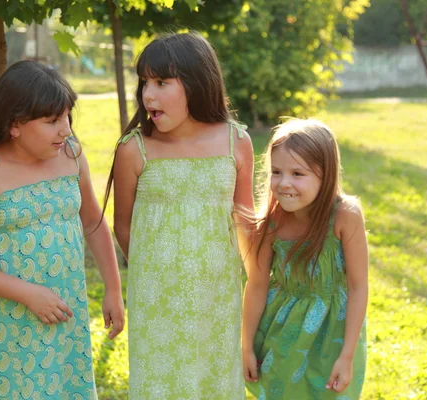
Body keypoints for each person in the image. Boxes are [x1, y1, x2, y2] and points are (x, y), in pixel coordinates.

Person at [0, 60, 124, 399]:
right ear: (15, 124)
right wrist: (28, 294)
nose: (66, 129)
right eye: (52, 121)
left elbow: (93, 222)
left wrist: (113, 289)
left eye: (68, 116)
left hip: (64, 308)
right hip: (5, 322)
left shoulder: (71, 155)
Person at [105, 32, 255, 399]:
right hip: (157, 302)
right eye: (144, 82)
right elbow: (122, 225)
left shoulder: (235, 141)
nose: (147, 95)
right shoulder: (135, 149)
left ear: (197, 82)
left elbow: (246, 223)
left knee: (214, 384)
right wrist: (156, 272)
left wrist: (257, 288)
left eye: (161, 82)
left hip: (218, 298)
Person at [242, 118, 368, 399]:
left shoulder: (345, 216)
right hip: (282, 332)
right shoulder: (271, 224)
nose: (284, 183)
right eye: (276, 172)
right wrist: (246, 346)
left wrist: (346, 356)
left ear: (326, 176)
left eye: (298, 174)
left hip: (333, 335)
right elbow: (257, 284)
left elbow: (359, 286)